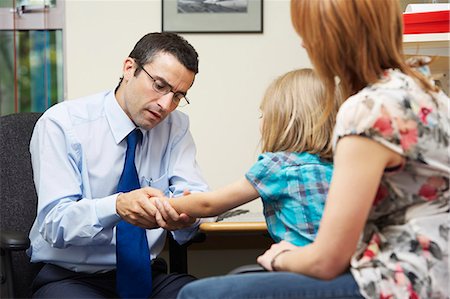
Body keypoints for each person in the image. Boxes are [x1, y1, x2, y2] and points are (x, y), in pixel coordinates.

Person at [177, 0, 450, 298]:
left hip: (398, 283)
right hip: (436, 275)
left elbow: (326, 261)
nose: (305, 44)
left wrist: (279, 256)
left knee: (198, 294)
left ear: (332, 37)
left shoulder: (367, 110)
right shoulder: (429, 94)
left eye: (308, 33)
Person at [28, 32, 211, 299]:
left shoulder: (176, 127)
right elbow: (55, 224)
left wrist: (187, 215)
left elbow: (194, 194)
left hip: (146, 275)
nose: (166, 105)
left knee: (209, 294)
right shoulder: (62, 124)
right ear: (129, 68)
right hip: (72, 277)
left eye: (178, 96)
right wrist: (117, 206)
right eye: (160, 86)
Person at [154, 68, 341, 247]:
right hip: (341, 271)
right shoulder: (338, 168)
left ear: (284, 121)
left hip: (302, 270)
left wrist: (165, 204)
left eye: (263, 114)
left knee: (205, 282)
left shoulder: (277, 167)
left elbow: (209, 204)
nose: (260, 121)